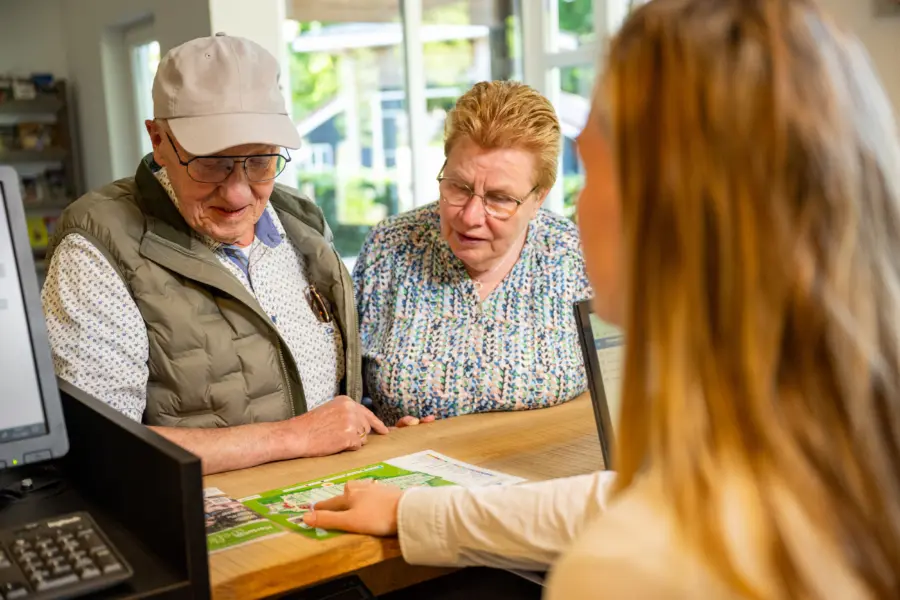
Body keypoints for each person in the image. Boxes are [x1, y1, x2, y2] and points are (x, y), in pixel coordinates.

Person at [301, 0, 900, 597]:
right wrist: (415, 513)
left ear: (662, 210)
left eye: (591, 169)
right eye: (458, 186)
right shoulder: (833, 463)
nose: (577, 211)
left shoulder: (624, 571)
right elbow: (631, 498)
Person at [40, 33, 389, 475]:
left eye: (260, 160)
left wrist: (369, 420)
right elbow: (99, 445)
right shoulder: (98, 246)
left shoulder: (300, 220)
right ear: (159, 140)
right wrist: (294, 436)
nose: (238, 191)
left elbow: (336, 390)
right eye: (211, 162)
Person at [353, 81, 591, 426]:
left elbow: (622, 390)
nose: (469, 217)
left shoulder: (574, 256)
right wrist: (378, 426)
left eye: (498, 198)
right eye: (458, 187)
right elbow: (345, 395)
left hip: (548, 471)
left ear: (539, 197)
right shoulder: (390, 247)